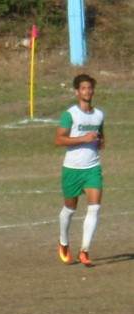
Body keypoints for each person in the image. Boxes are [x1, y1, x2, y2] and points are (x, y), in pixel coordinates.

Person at [54, 74, 105, 266]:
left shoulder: (99, 115)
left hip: (92, 168)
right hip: (72, 169)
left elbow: (100, 136)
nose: (87, 91)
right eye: (83, 88)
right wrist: (83, 139)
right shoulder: (70, 115)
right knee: (70, 209)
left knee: (95, 207)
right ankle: (63, 242)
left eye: (89, 88)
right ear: (77, 92)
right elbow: (58, 140)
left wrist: (99, 142)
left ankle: (84, 250)